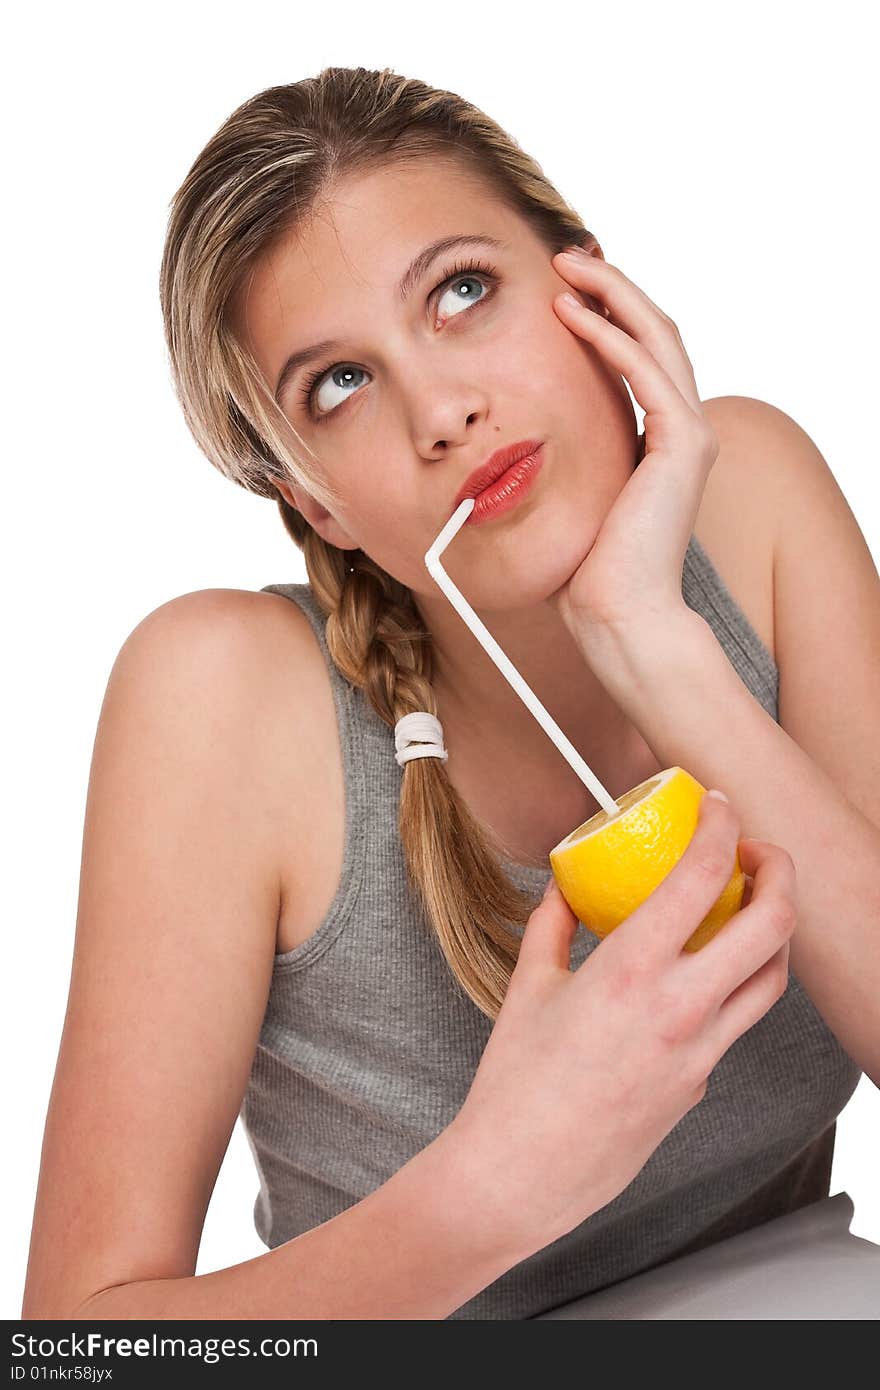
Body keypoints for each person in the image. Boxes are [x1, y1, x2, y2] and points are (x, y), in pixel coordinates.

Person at [21, 66, 861, 1321]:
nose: (443, 410)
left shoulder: (757, 502)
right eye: (340, 384)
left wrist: (658, 643)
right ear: (317, 504)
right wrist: (497, 1184)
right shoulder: (220, 697)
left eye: (462, 293)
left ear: (592, 290)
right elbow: (77, 1352)